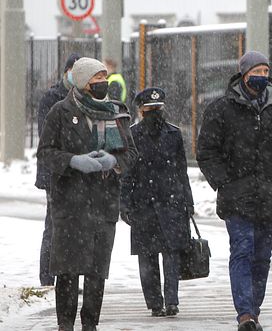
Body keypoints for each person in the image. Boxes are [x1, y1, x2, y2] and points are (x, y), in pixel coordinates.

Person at [197, 51, 272, 331]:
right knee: (242, 251)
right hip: (237, 197)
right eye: (257, 72)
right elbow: (207, 151)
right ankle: (245, 313)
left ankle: (254, 309)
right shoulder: (221, 109)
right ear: (243, 74)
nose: (262, 77)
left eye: (266, 72)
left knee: (262, 256)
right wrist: (223, 181)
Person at [37, 57, 138, 331]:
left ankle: (90, 324)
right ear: (83, 82)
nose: (102, 84)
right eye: (96, 79)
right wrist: (72, 161)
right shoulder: (60, 112)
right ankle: (65, 325)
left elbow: (130, 153)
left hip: (103, 206)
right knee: (68, 273)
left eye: (104, 78)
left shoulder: (116, 112)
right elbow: (45, 153)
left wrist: (114, 161)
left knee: (96, 273)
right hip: (70, 206)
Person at [120, 87, 195, 318]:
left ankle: (171, 301)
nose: (154, 113)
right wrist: (124, 203)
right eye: (150, 109)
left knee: (172, 253)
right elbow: (127, 172)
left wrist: (187, 202)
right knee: (148, 257)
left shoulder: (173, 134)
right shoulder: (132, 135)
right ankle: (154, 303)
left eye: (158, 109)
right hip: (144, 205)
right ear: (141, 111)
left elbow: (182, 170)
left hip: (170, 202)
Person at [35, 53, 80, 287]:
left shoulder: (83, 97)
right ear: (66, 72)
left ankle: (67, 277)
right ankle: (47, 277)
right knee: (54, 225)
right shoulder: (51, 98)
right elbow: (47, 137)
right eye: (74, 70)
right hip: (54, 171)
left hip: (75, 172)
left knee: (74, 227)